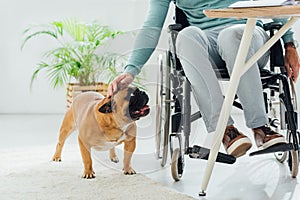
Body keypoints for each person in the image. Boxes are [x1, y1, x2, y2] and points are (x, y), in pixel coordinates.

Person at [107, 0, 300, 157]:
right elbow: (151, 27)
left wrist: (289, 44)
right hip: (207, 41)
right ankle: (225, 131)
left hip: (249, 35)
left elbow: (277, 2)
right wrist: (131, 70)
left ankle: (260, 127)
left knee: (230, 36)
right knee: (186, 36)